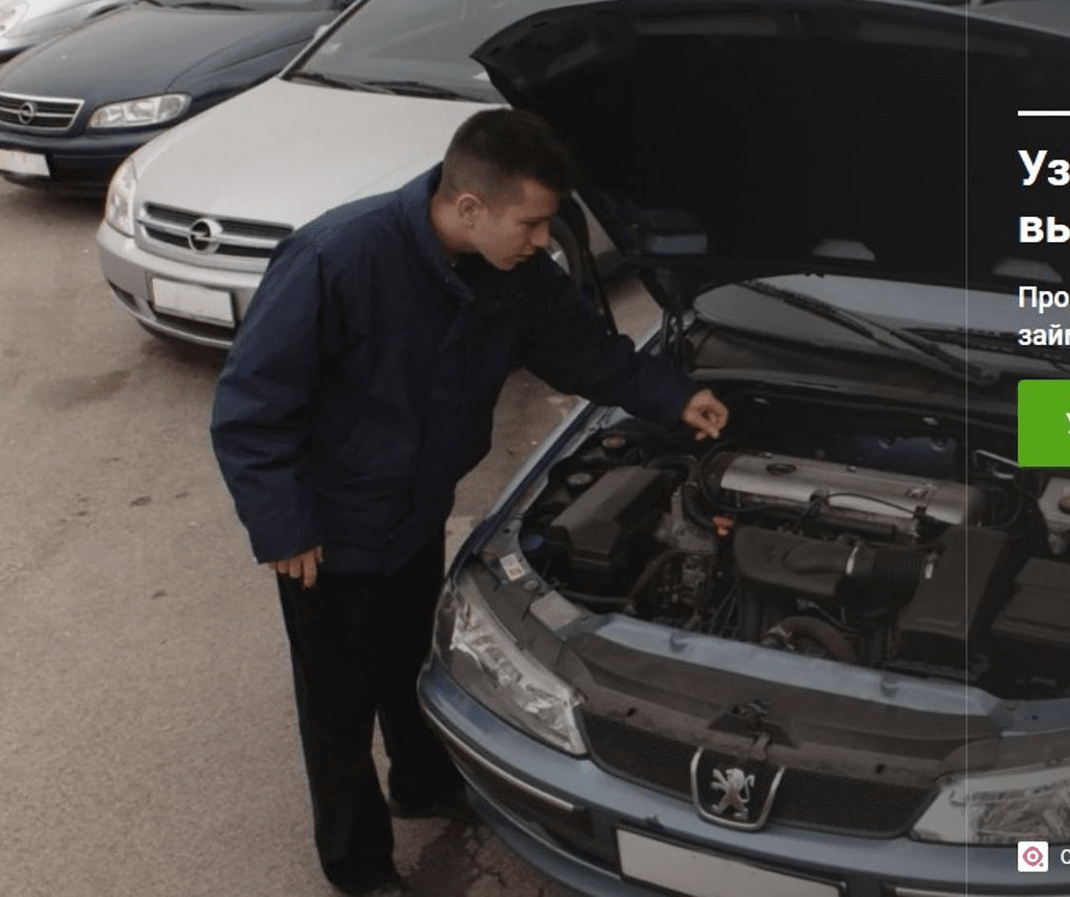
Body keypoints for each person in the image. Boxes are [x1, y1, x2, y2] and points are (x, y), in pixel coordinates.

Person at [210, 109, 730, 895]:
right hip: (329, 534)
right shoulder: (336, 258)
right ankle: (358, 867)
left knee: (411, 664)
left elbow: (585, 353)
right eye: (531, 223)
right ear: (468, 206)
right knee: (338, 705)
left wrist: (674, 395)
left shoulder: (515, 272)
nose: (542, 241)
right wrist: (283, 525)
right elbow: (251, 408)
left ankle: (422, 784)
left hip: (417, 513)